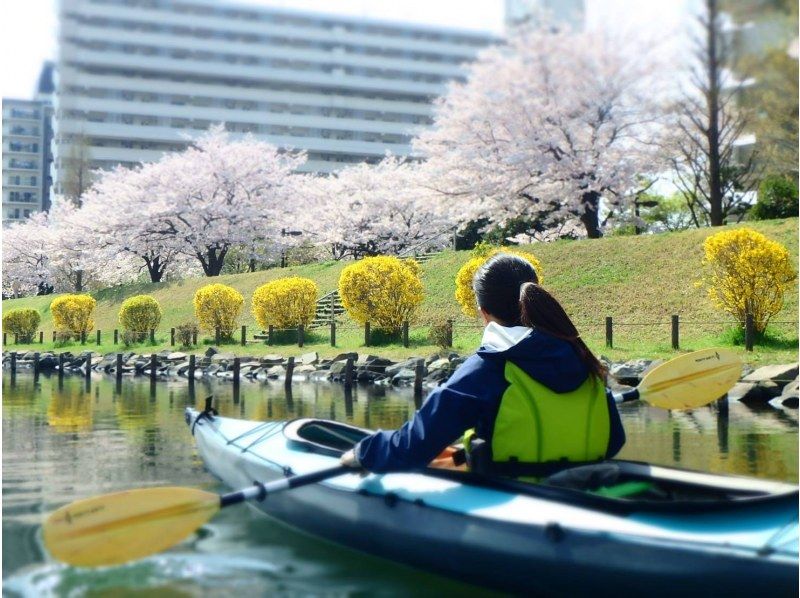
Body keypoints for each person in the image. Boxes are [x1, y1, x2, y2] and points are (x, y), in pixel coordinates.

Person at [340, 253, 625, 475]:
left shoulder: (487, 368)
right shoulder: (583, 358)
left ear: (484, 313)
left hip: (517, 498)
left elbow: (413, 447)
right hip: (582, 489)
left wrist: (365, 452)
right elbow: (614, 442)